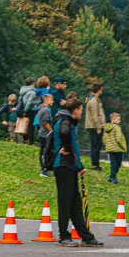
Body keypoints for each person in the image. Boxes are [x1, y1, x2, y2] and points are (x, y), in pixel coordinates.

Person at [51, 99, 102, 248]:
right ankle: (63, 236)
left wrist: (79, 167)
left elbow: (73, 147)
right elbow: (65, 135)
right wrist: (66, 148)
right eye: (81, 109)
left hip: (69, 166)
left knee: (75, 204)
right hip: (63, 165)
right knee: (66, 202)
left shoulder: (66, 120)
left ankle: (86, 236)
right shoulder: (65, 121)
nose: (81, 112)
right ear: (75, 110)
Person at [84, 83, 105, 171]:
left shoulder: (95, 100)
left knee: (98, 145)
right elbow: (94, 115)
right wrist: (98, 127)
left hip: (96, 126)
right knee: (96, 145)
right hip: (94, 126)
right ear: (99, 90)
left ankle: (96, 163)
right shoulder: (93, 101)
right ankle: (94, 164)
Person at [103, 113, 127, 184]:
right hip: (118, 149)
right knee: (118, 164)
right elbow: (118, 139)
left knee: (113, 163)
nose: (120, 121)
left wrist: (107, 145)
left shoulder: (106, 128)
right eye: (118, 119)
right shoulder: (117, 128)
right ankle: (113, 177)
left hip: (110, 149)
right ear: (113, 120)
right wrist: (123, 146)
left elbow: (104, 139)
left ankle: (111, 176)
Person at [36, 94, 55, 178]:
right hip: (45, 134)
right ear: (46, 100)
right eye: (51, 100)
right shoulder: (45, 110)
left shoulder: (41, 109)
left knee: (46, 152)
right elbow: (45, 122)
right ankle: (45, 170)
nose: (53, 101)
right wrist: (51, 131)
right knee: (44, 152)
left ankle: (48, 168)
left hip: (43, 133)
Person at [15, 77, 37, 145]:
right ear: (33, 83)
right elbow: (29, 103)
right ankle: (30, 142)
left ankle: (25, 141)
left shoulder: (22, 90)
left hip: (23, 111)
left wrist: (23, 111)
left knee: (24, 126)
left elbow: (19, 101)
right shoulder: (32, 92)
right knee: (31, 127)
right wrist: (25, 111)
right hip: (30, 111)